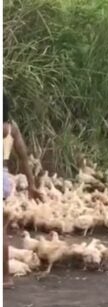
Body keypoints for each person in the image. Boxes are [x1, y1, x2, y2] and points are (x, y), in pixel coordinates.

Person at [4, 95, 43, 288]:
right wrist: (32, 186)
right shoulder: (11, 129)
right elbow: (25, 159)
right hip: (3, 179)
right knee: (2, 232)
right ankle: (5, 278)